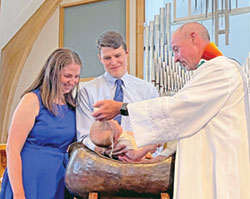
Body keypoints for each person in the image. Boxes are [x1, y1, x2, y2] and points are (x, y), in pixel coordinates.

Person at [92, 22, 250, 199]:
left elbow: (178, 109)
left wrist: (121, 107)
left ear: (193, 38)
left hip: (219, 170)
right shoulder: (209, 71)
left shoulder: (221, 69)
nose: (175, 58)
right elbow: (187, 125)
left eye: (176, 49)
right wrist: (161, 156)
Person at [0, 48, 82, 199]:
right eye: (67, 76)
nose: (73, 81)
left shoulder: (72, 106)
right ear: (52, 73)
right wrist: (18, 193)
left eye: (76, 76)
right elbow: (12, 149)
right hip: (28, 178)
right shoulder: (32, 100)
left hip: (57, 179)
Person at [76, 30, 161, 156]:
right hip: (101, 162)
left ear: (126, 53)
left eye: (117, 56)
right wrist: (104, 151)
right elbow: (83, 136)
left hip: (141, 161)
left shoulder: (147, 90)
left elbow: (157, 130)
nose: (113, 62)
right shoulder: (88, 91)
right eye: (107, 58)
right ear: (100, 58)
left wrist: (144, 155)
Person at [90, 120, 161, 161]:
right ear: (115, 136)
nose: (115, 120)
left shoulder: (121, 137)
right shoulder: (123, 143)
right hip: (135, 164)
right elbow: (134, 156)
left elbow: (131, 136)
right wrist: (147, 148)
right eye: (115, 123)